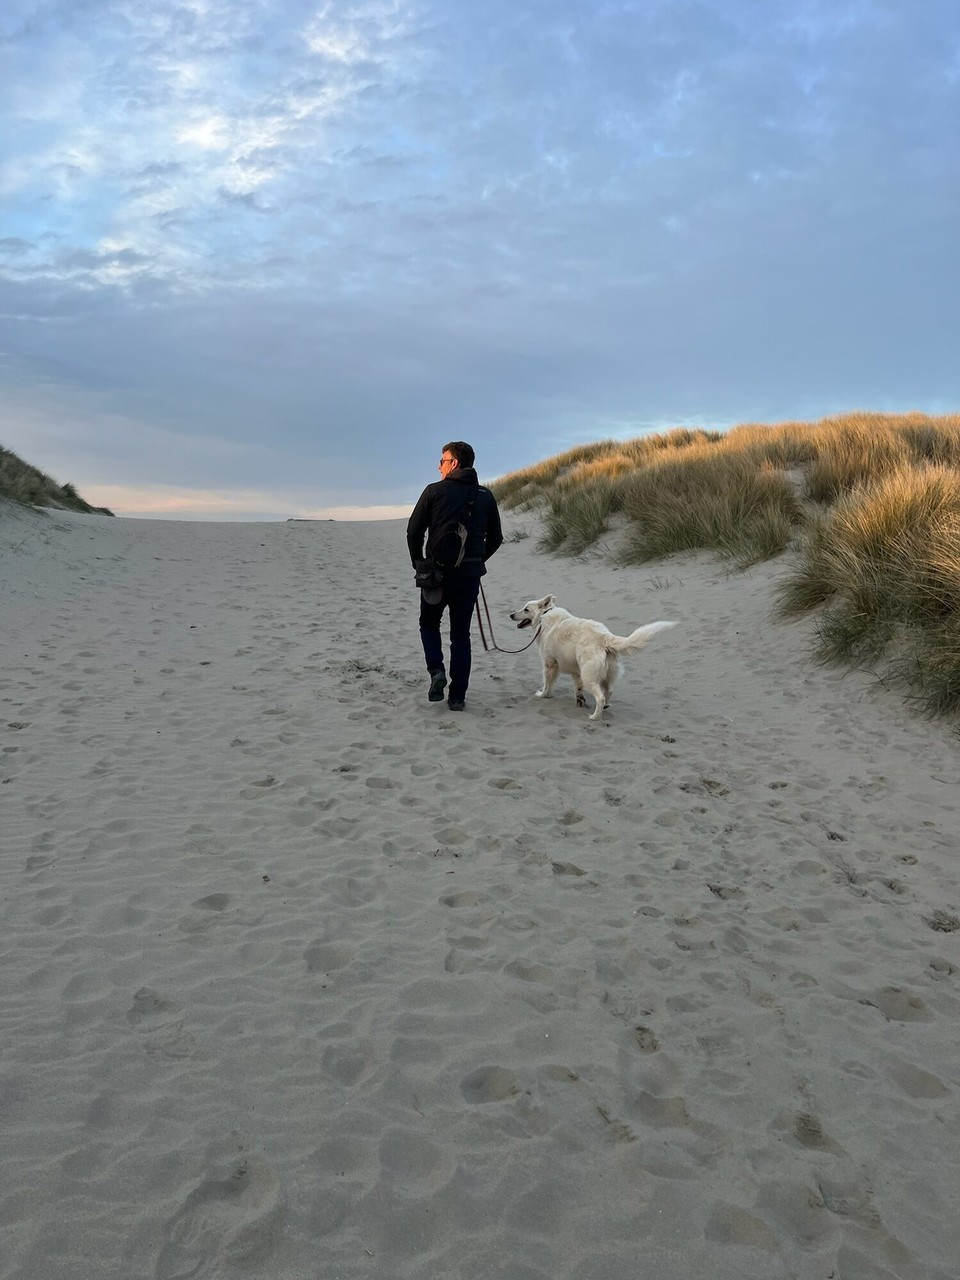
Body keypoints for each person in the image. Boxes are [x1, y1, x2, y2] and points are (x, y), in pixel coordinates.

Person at [407, 441, 503, 710]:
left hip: (436, 575)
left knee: (429, 624)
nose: (439, 466)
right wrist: (477, 560)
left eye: (442, 460)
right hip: (468, 578)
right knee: (460, 635)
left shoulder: (434, 491)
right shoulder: (485, 495)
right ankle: (458, 697)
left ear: (455, 463)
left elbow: (413, 532)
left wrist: (419, 565)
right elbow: (496, 538)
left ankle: (436, 671)